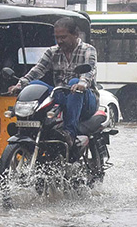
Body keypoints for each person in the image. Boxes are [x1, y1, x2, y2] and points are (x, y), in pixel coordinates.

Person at [9, 17, 98, 152]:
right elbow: (37, 70)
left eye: (63, 37)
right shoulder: (52, 51)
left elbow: (89, 72)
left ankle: (69, 134)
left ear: (75, 35)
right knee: (35, 85)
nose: (60, 41)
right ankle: (28, 128)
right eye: (57, 37)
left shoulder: (88, 50)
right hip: (61, 94)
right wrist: (20, 85)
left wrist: (82, 83)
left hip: (85, 98)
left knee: (74, 83)